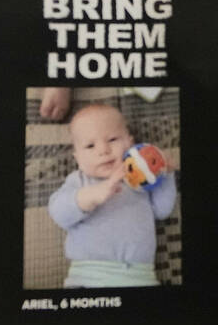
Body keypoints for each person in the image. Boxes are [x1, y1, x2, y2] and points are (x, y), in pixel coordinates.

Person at [47, 104, 177, 287]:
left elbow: (162, 211)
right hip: (89, 277)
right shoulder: (79, 181)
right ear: (78, 159)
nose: (103, 150)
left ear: (130, 143)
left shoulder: (140, 180)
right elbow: (58, 213)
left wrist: (165, 174)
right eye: (90, 145)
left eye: (113, 139)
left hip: (141, 277)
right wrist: (93, 195)